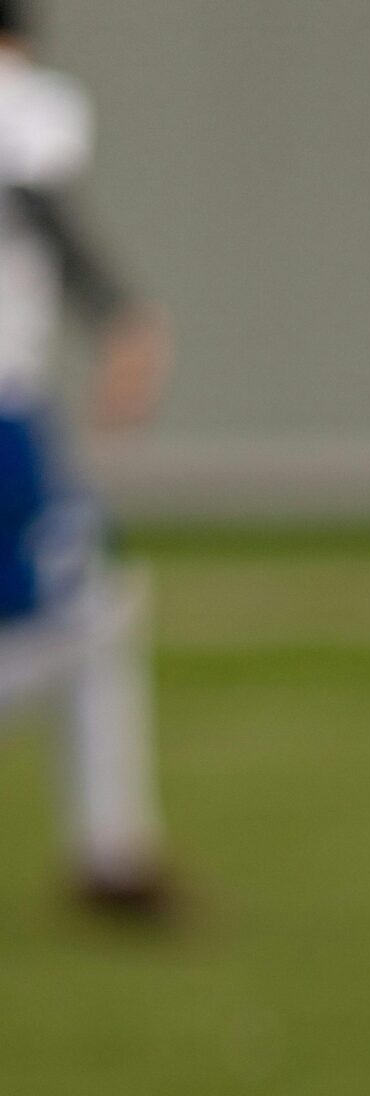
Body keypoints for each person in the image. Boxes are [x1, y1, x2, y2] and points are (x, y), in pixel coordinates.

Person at [0, 0, 174, 914]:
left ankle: (113, 852)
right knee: (72, 619)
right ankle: (113, 857)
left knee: (89, 612)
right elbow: (36, 196)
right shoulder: (19, 94)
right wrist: (121, 317)